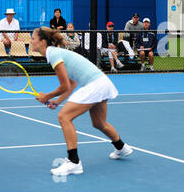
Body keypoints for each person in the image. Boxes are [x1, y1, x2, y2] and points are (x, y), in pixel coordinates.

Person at [31, 26, 133, 176]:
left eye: (33, 38)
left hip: (95, 85)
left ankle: (74, 163)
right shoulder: (56, 53)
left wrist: (47, 96)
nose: (31, 41)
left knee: (64, 117)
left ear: (43, 42)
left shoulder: (53, 54)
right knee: (99, 123)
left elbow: (65, 85)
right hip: (102, 82)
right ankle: (122, 147)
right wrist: (58, 101)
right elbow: (71, 83)